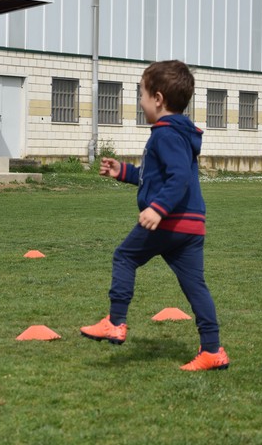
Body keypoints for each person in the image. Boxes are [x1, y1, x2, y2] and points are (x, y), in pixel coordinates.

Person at [80, 60, 228, 371]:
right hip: (191, 226)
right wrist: (124, 172)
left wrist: (158, 209)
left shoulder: (165, 135)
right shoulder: (178, 133)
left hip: (169, 222)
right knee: (195, 286)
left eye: (141, 94)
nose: (140, 101)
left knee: (124, 257)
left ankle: (115, 322)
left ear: (158, 99)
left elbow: (178, 179)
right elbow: (158, 178)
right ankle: (213, 350)